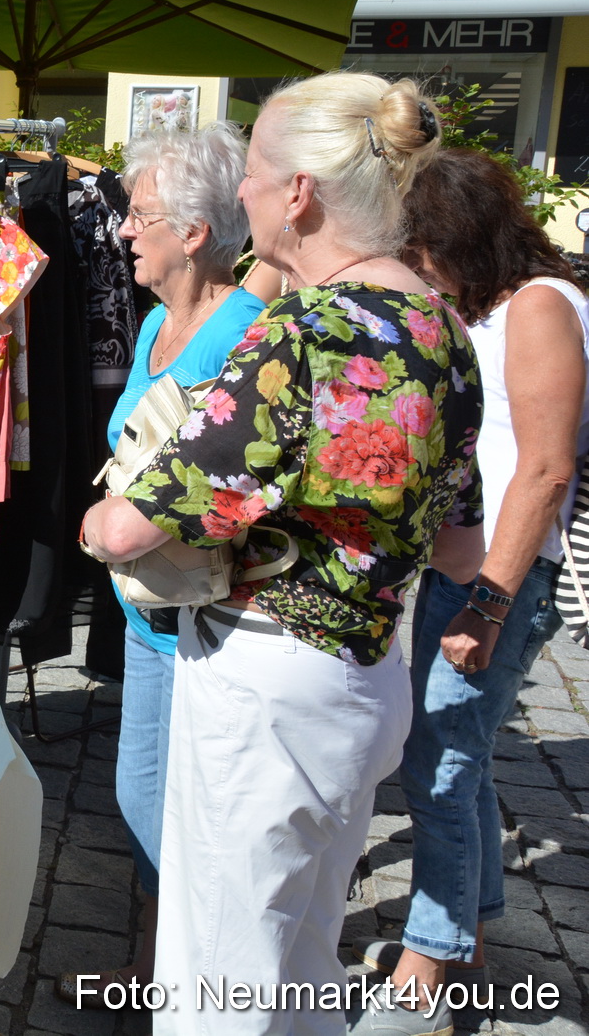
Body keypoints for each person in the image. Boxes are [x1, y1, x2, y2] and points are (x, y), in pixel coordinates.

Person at [81, 72, 484, 1035]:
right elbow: (464, 550)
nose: (246, 196)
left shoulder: (299, 337)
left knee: (217, 985)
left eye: (255, 174)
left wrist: (98, 522)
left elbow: (134, 525)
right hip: (368, 677)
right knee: (298, 956)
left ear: (297, 191)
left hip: (265, 687)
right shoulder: (443, 331)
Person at [343, 149, 589, 1036]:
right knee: (461, 749)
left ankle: (430, 965)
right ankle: (473, 934)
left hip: (503, 578)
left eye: (422, 254)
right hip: (478, 571)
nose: (417, 273)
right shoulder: (518, 304)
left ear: (460, 242)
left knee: (439, 761)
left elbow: (546, 470)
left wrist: (488, 602)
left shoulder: (541, 308)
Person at [59, 122, 265, 1007]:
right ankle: (152, 971)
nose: (121, 231)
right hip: (147, 611)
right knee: (142, 796)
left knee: (193, 813)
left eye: (139, 215)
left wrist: (120, 527)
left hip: (211, 623)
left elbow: (234, 487)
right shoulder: (152, 326)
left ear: (193, 232)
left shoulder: (246, 335)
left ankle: (188, 980)